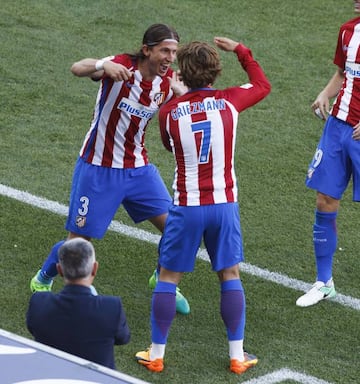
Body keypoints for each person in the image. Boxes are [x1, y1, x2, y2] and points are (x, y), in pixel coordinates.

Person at [29, 23, 190, 315]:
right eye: (165, 50)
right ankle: (43, 279)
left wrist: (181, 96)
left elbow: (181, 122)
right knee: (78, 242)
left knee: (177, 228)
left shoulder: (166, 84)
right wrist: (104, 65)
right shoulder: (121, 67)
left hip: (139, 169)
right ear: (147, 50)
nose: (170, 58)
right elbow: (78, 68)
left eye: (174, 52)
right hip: (98, 169)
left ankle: (163, 278)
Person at [135, 37, 271, 374]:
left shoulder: (168, 112)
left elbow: (169, 146)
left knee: (169, 277)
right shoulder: (230, 102)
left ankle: (156, 354)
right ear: (215, 72)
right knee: (230, 274)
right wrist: (242, 49)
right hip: (223, 205)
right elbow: (262, 85)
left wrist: (182, 99)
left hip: (186, 206)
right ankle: (237, 356)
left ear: (183, 72)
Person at [296, 0, 360, 307]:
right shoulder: (348, 31)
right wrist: (325, 93)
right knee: (325, 199)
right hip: (338, 127)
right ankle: (324, 282)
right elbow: (342, 73)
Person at [26, 238, 130, 369]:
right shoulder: (111, 308)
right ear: (95, 268)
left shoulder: (39, 303)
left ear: (59, 270)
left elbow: (32, 327)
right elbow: (123, 338)